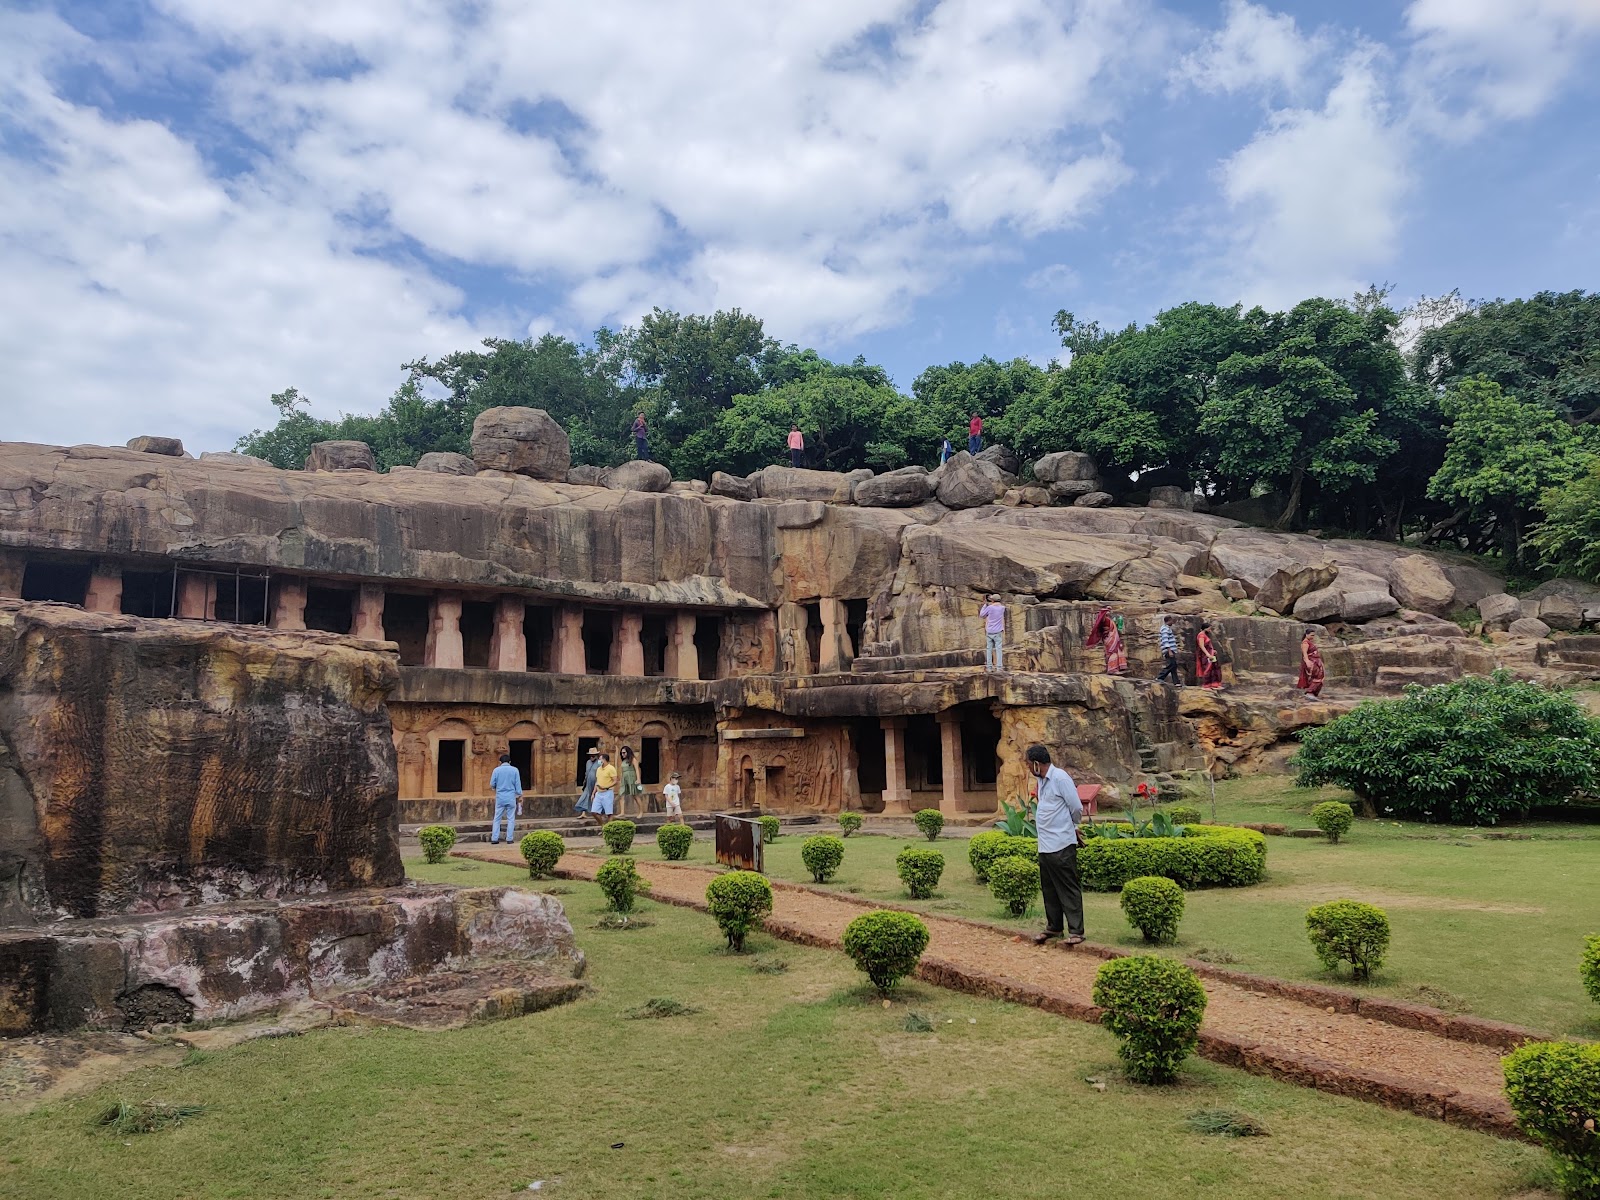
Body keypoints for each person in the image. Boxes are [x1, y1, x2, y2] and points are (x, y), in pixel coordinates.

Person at [1025, 744, 1085, 946]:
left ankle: (1076, 930)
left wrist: (1074, 826)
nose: (1027, 768)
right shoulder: (1042, 781)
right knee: (1049, 888)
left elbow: (1076, 806)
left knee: (1068, 887)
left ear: (1036, 763)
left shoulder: (1060, 778)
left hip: (1061, 843)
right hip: (1046, 844)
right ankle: (1054, 926)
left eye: (1028, 764)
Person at [489, 753, 523, 845]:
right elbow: (518, 785)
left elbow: (492, 783)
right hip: (511, 796)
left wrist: (496, 787)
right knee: (511, 818)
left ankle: (495, 838)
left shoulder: (496, 770)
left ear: (500, 762)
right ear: (510, 762)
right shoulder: (515, 770)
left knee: (497, 818)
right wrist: (520, 795)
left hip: (500, 796)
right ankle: (509, 838)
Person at [1085, 605, 1128, 676]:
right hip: (1108, 638)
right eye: (1107, 610)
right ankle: (1112, 669)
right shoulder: (1103, 619)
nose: (1109, 611)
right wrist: (1105, 610)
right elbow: (1102, 617)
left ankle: (1118, 667)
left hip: (1113, 637)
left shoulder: (1109, 619)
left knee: (1117, 651)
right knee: (1112, 652)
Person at [978, 593, 1006, 672]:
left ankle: (989, 667)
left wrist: (985, 605)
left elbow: (982, 614)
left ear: (992, 600)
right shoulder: (1002, 608)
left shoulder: (990, 608)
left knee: (989, 649)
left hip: (989, 631)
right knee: (999, 649)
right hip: (998, 631)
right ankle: (999, 667)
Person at [590, 753, 618, 827]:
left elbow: (615, 781)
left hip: (607, 793)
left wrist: (606, 787)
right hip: (599, 793)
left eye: (600, 759)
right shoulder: (598, 769)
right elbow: (597, 782)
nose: (599, 760)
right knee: (594, 812)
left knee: (609, 813)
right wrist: (593, 793)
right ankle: (603, 827)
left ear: (604, 760)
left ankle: (608, 829)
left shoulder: (611, 768)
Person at [1297, 628, 1325, 698]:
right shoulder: (1305, 643)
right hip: (1311, 662)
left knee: (1319, 676)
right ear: (1307, 634)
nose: (1313, 637)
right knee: (1317, 676)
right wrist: (1307, 662)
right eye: (1311, 635)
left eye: (1313, 635)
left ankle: (1314, 693)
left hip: (1316, 661)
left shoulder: (1309, 642)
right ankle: (1310, 692)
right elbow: (1305, 653)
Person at [1195, 623, 1224, 691]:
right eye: (1209, 628)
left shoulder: (1205, 635)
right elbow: (1201, 646)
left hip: (1211, 654)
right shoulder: (1201, 635)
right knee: (1207, 669)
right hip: (1206, 655)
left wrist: (1212, 651)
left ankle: (1214, 684)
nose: (1210, 630)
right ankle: (1206, 685)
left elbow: (1208, 646)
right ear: (1205, 628)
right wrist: (1207, 654)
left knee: (1214, 668)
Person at [618, 744, 643, 816]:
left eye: (624, 753)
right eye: (621, 753)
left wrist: (638, 779)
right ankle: (622, 812)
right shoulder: (623, 761)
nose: (622, 754)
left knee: (635, 795)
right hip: (624, 779)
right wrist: (621, 780)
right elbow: (622, 771)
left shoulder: (633, 759)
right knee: (621, 794)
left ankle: (641, 811)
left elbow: (637, 770)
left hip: (631, 778)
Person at [1156, 614, 1182, 685]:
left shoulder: (1168, 628)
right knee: (1171, 664)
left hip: (1171, 650)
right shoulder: (1165, 629)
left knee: (1174, 666)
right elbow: (1165, 640)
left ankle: (1176, 682)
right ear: (1169, 620)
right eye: (1172, 621)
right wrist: (1169, 650)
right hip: (1168, 650)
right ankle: (1160, 677)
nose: (1173, 622)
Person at [576, 746, 600, 815]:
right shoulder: (588, 762)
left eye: (593, 756)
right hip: (588, 782)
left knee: (596, 797)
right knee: (585, 796)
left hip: (596, 783)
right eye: (590, 756)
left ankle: (598, 813)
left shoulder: (599, 763)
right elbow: (586, 773)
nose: (591, 757)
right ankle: (583, 813)